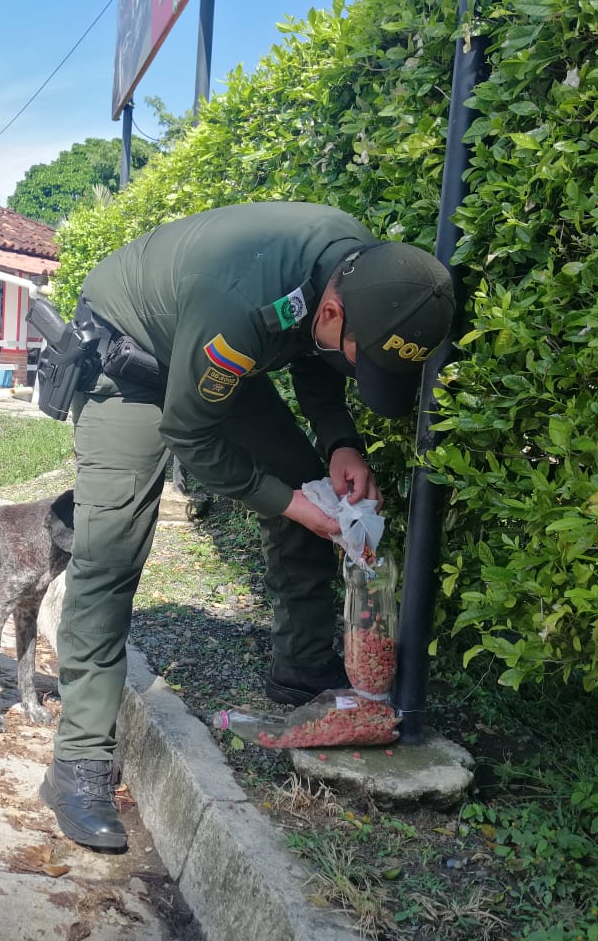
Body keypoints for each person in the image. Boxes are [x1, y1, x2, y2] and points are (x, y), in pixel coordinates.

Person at [37, 201, 455, 850]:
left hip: (199, 347)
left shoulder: (366, 271)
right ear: (333, 312)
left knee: (305, 475)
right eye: (362, 358)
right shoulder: (245, 307)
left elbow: (324, 362)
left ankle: (305, 669)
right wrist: (289, 504)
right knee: (110, 551)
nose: (359, 369)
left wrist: (342, 442)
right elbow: (191, 436)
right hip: (129, 361)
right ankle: (78, 762)